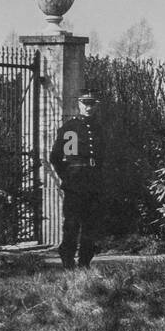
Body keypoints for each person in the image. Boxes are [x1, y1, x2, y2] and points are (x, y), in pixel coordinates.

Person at [49, 91, 106, 269]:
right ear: (79, 104)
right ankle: (67, 259)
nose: (88, 107)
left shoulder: (99, 128)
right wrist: (66, 177)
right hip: (75, 182)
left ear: (96, 105)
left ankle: (85, 262)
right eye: (85, 103)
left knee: (90, 224)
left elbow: (104, 156)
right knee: (72, 223)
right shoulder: (70, 127)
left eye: (92, 104)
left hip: (93, 181)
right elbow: (56, 157)